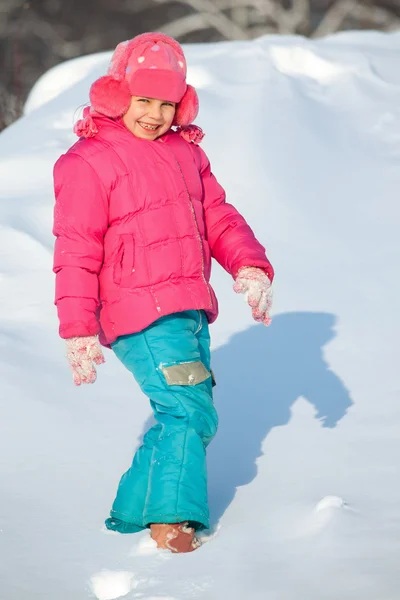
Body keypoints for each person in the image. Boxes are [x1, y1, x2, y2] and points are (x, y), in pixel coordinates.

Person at [52, 32, 274, 553]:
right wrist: (79, 329)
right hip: (141, 312)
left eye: (166, 103)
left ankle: (134, 509)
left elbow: (217, 215)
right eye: (143, 100)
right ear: (117, 95)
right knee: (189, 410)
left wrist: (249, 264)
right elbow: (76, 250)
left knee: (182, 409)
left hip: (188, 309)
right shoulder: (89, 160)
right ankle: (172, 518)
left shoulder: (185, 153)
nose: (153, 114)